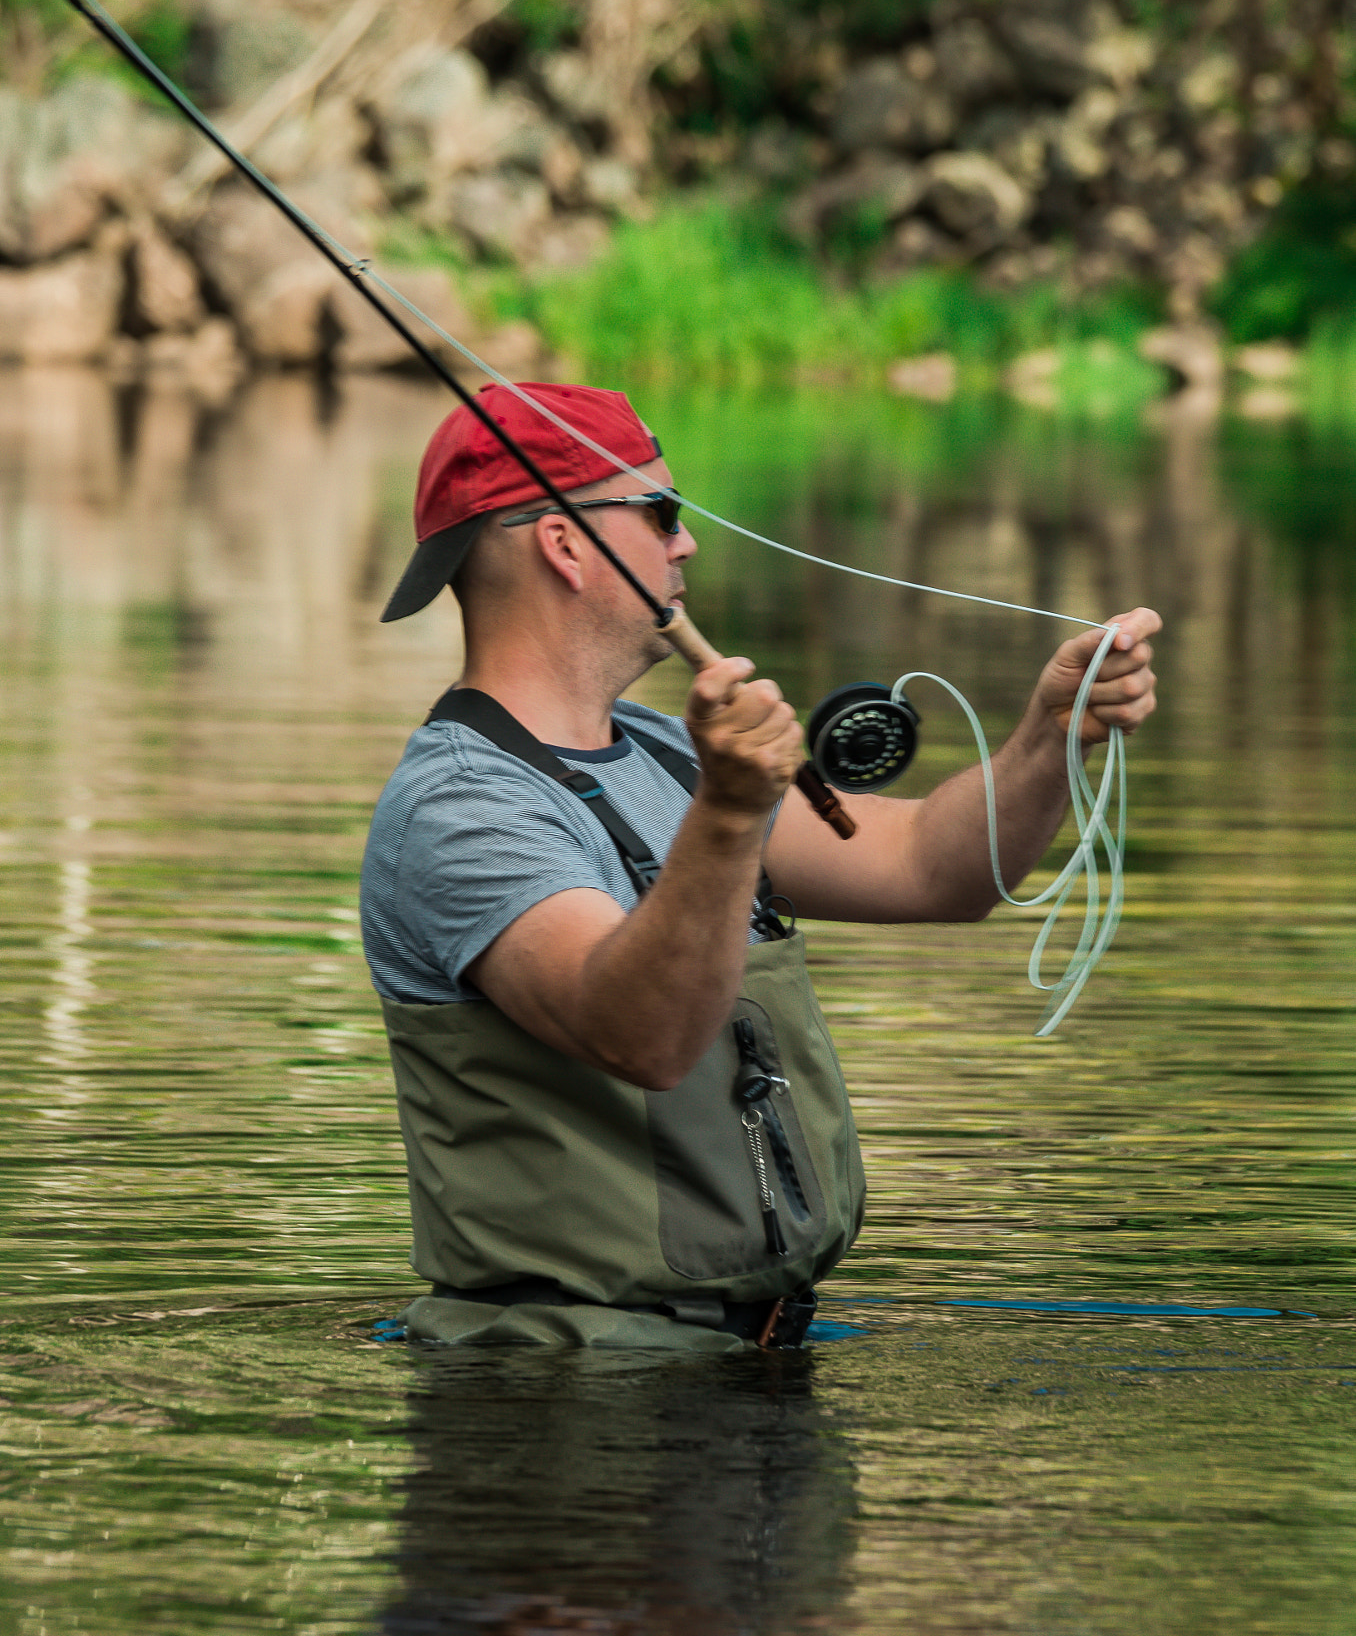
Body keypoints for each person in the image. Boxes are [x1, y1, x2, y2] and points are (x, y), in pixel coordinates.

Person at [361, 382, 1160, 1352]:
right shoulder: (462, 804)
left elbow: (927, 869)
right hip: (563, 1394)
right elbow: (641, 1035)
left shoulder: (670, 754)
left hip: (744, 1365)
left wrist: (1051, 731)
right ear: (566, 544)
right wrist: (733, 812)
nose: (685, 541)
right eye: (659, 512)